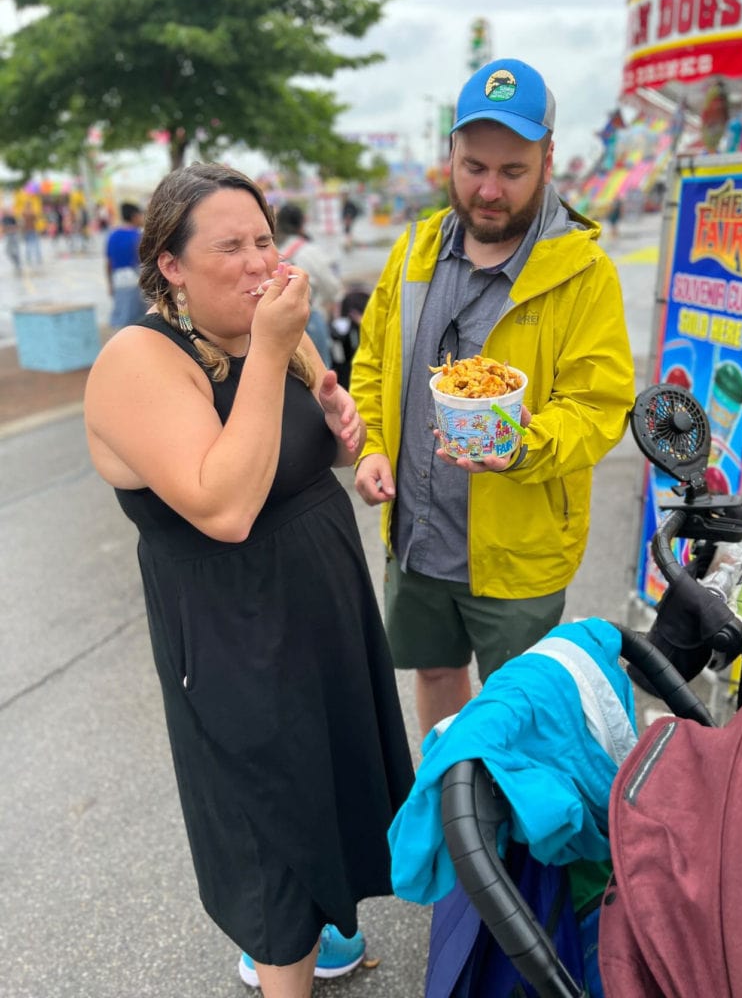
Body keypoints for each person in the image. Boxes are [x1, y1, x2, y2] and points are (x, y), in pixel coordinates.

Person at [83, 162, 414, 998]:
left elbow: (325, 418)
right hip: (233, 639)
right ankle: (284, 970)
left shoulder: (278, 332)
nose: (258, 260)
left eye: (264, 238)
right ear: (171, 265)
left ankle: (329, 941)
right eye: (229, 246)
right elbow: (225, 505)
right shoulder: (140, 361)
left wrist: (355, 438)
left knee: (335, 779)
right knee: (269, 829)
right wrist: (271, 348)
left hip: (325, 615)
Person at [350, 57, 635, 738]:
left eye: (513, 171)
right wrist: (375, 446)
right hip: (418, 538)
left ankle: (503, 839)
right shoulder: (413, 251)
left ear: (547, 159)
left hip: (520, 549)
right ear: (450, 153)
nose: (489, 190)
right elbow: (373, 365)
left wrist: (523, 444)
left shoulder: (583, 272)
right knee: (437, 675)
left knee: (518, 710)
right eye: (475, 166)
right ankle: (447, 820)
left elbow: (599, 407)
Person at [274, 202, 342, 367]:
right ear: (301, 223)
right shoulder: (308, 250)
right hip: (309, 320)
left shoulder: (271, 248)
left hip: (274, 322)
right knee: (320, 379)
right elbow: (333, 288)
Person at [105, 202, 146, 328]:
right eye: (141, 215)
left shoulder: (113, 235)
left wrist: (110, 284)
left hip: (118, 280)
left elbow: (108, 263)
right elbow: (143, 261)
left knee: (122, 317)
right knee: (140, 320)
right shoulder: (139, 236)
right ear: (134, 216)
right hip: (136, 280)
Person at [1, 209, 22, 274]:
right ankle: (16, 262)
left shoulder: (12, 218)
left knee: (15, 250)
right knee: (7, 251)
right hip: (8, 236)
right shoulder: (4, 219)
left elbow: (17, 226)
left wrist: (11, 228)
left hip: (14, 235)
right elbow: (3, 227)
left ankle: (18, 263)